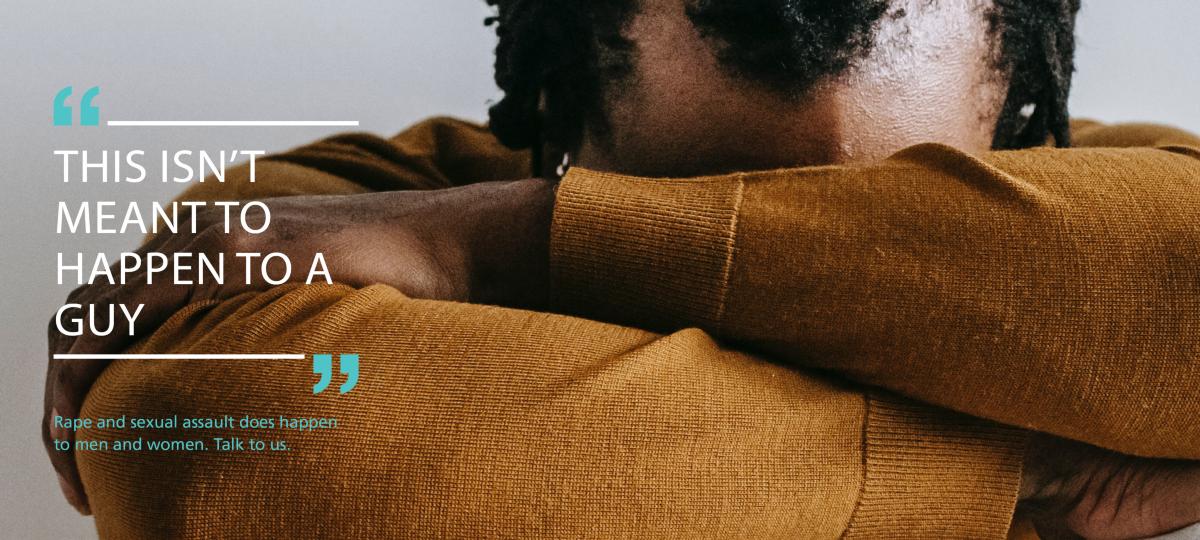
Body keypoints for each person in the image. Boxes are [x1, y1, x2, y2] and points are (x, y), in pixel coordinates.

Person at [44, 0, 1200, 537]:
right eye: (694, 205)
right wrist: (1025, 467)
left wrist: (501, 247)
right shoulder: (314, 221)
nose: (802, 291)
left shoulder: (1106, 180)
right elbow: (224, 462)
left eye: (896, 216)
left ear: (1017, 125)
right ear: (556, 119)